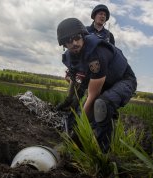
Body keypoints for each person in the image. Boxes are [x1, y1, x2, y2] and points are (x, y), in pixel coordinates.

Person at [56, 18, 137, 153]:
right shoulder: (70, 57)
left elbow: (93, 95)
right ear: (63, 44)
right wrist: (69, 99)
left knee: (101, 105)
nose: (74, 43)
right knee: (78, 111)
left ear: (83, 35)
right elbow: (73, 77)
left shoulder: (95, 52)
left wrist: (81, 129)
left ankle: (103, 153)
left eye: (77, 38)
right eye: (69, 41)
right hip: (102, 83)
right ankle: (78, 144)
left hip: (123, 80)